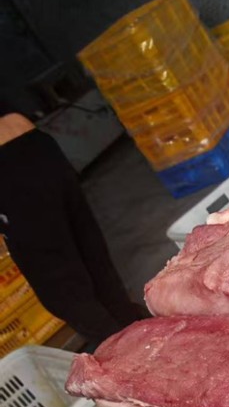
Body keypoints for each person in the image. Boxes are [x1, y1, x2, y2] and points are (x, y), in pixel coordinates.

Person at [0, 105, 147, 346]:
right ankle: (144, 339)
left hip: (9, 170)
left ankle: (128, 354)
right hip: (32, 143)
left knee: (63, 289)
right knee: (93, 261)